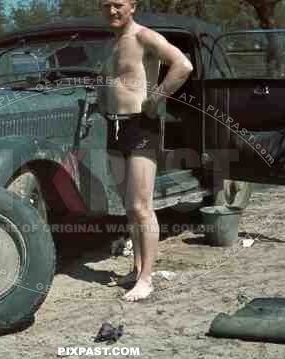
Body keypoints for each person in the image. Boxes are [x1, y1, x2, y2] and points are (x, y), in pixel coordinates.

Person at [97, 0, 193, 301]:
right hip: (114, 128)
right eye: (106, 5)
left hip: (141, 126)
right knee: (128, 207)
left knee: (141, 206)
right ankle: (136, 268)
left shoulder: (143, 37)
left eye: (118, 5)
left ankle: (147, 279)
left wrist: (157, 97)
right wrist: (102, 103)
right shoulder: (111, 45)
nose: (112, 11)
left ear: (132, 7)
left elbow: (183, 65)